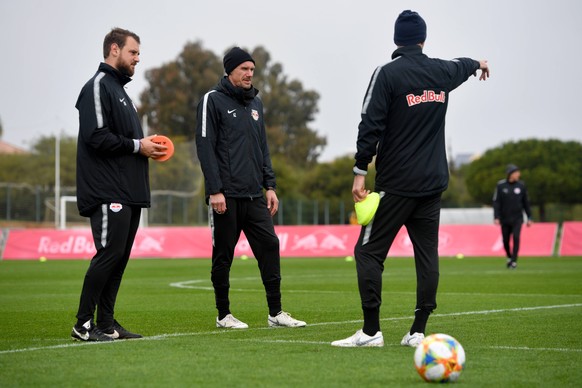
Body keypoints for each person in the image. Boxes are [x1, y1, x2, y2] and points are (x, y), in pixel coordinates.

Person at [332, 10, 490, 348]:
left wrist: (360, 172)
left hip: (397, 185)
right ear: (423, 38)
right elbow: (462, 64)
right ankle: (418, 331)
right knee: (427, 256)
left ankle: (371, 332)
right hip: (433, 184)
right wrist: (479, 62)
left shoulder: (387, 74)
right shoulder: (442, 71)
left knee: (368, 253)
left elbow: (369, 125)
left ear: (396, 40)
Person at [195, 47, 306, 329]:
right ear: (229, 70)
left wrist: (270, 185)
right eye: (244, 69)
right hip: (226, 197)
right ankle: (223, 315)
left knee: (270, 245)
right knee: (223, 255)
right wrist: (214, 190)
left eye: (252, 70)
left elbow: (262, 148)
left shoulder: (256, 103)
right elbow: (205, 148)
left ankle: (276, 313)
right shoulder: (212, 100)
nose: (249, 74)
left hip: (255, 194)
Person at [72, 28, 167, 342]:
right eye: (133, 52)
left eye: (138, 53)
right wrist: (139, 146)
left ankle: (106, 324)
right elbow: (95, 136)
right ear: (114, 49)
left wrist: (147, 147)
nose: (137, 59)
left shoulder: (122, 93)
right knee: (109, 254)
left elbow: (129, 143)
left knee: (119, 256)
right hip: (107, 190)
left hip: (130, 190)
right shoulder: (98, 87)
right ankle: (83, 325)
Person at [493, 164, 533, 269]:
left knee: (516, 237)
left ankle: (514, 261)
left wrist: (529, 217)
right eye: (516, 173)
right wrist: (496, 217)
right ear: (510, 174)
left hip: (517, 218)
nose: (518, 175)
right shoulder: (500, 186)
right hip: (505, 218)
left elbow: (526, 203)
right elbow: (497, 202)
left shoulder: (521, 186)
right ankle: (509, 257)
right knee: (505, 240)